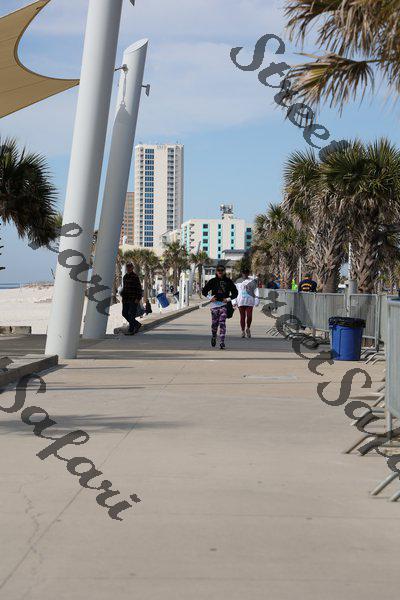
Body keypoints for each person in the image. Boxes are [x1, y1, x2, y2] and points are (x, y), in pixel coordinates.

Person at [202, 264, 238, 349]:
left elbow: (235, 293)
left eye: (222, 270)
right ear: (216, 271)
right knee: (214, 324)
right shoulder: (213, 281)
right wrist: (210, 297)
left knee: (222, 323)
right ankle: (214, 336)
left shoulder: (228, 281)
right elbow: (204, 291)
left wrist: (228, 299)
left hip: (224, 305)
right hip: (214, 306)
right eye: (219, 270)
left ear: (224, 271)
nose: (220, 272)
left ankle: (222, 342)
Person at [235, 269, 259, 338]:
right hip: (241, 301)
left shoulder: (252, 281)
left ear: (248, 273)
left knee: (249, 316)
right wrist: (234, 301)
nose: (245, 274)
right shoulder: (238, 281)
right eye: (244, 273)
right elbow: (234, 291)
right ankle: (242, 331)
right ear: (242, 273)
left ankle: (248, 328)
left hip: (250, 301)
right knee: (242, 317)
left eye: (246, 273)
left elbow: (256, 291)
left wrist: (256, 300)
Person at [121, 262, 143, 335]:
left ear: (132, 268)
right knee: (124, 313)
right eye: (127, 267)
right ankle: (137, 324)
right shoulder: (125, 277)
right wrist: (122, 296)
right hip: (125, 299)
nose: (128, 268)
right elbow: (124, 288)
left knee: (131, 314)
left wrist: (138, 298)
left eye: (130, 267)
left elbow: (139, 288)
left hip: (133, 299)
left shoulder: (135, 276)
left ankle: (131, 330)